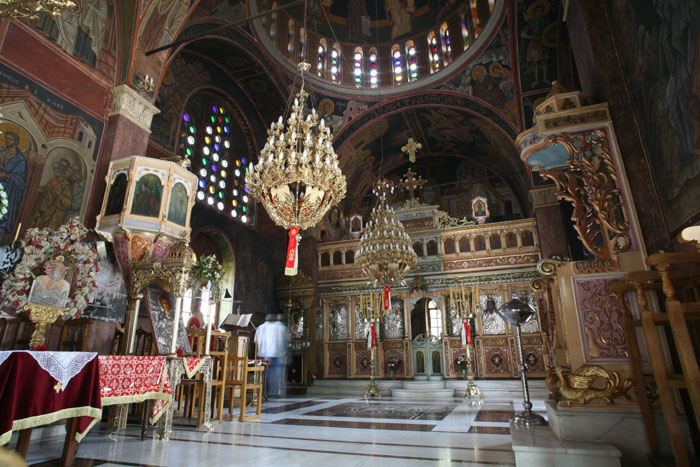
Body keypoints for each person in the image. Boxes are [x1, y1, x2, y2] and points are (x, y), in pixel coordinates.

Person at [255, 313, 291, 398]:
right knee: (277, 375)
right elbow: (287, 340)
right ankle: (274, 392)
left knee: (265, 374)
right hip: (278, 354)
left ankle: (263, 392)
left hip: (264, 354)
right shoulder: (281, 327)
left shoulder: (261, 327)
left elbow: (256, 341)